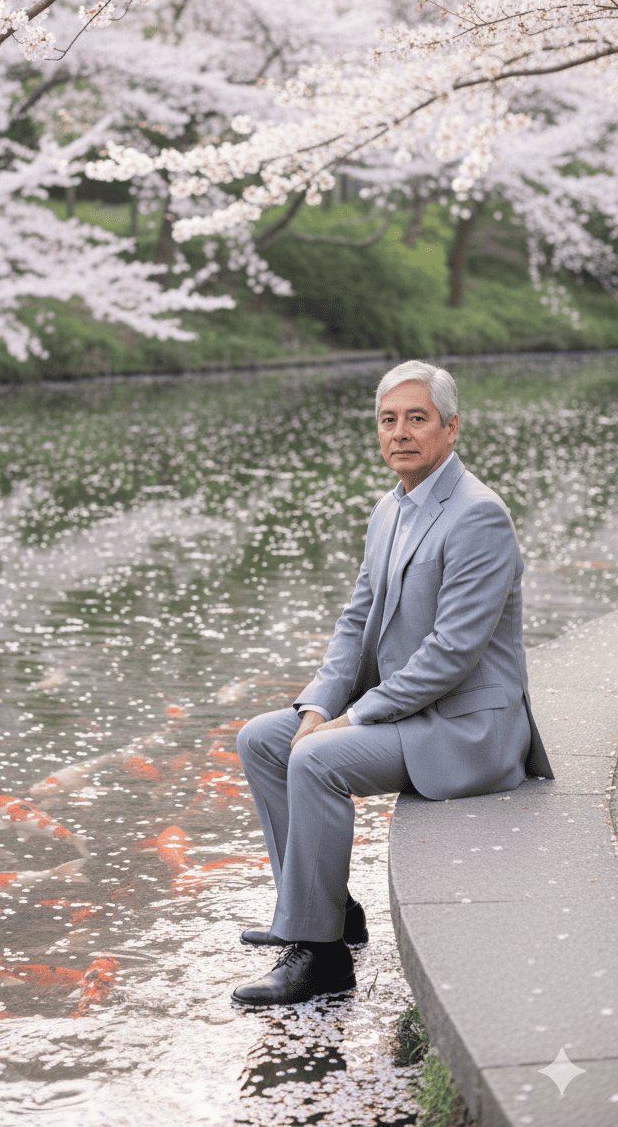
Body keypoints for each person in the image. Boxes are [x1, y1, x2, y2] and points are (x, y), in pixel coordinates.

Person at [232, 360, 553, 1007]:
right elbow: (354, 624)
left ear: (451, 429)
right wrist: (321, 704)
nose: (399, 432)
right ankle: (330, 913)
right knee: (264, 738)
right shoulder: (391, 508)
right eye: (388, 420)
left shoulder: (478, 517)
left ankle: (320, 960)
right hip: (415, 713)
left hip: (467, 726)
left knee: (318, 759)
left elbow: (452, 655)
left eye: (416, 418)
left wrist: (357, 718)